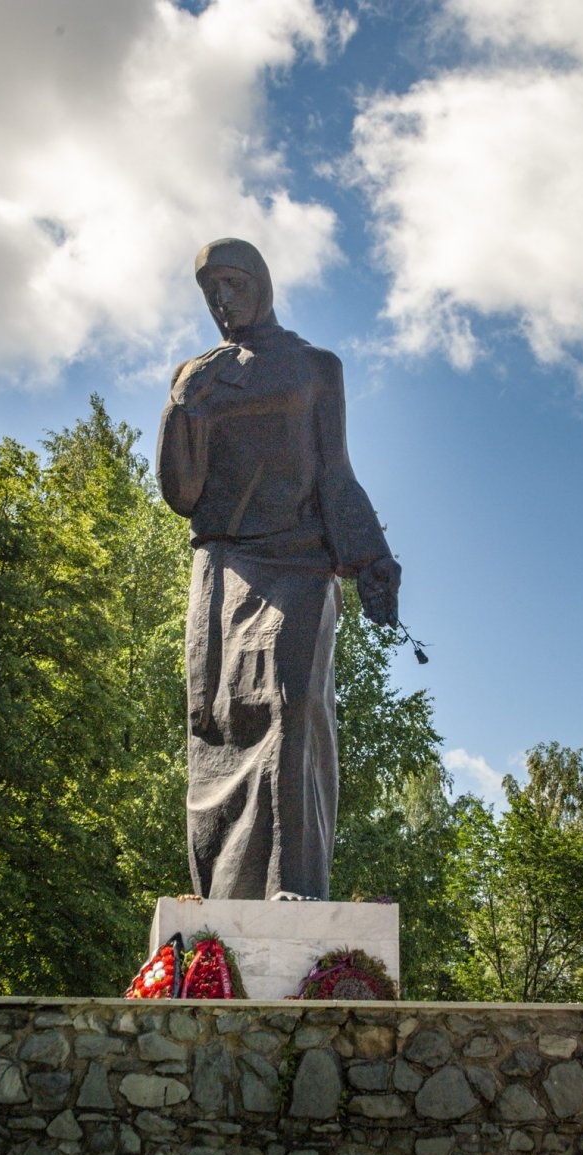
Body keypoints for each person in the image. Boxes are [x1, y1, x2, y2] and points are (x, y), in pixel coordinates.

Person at [156, 238, 400, 901]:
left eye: (232, 283)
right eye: (210, 290)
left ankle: (292, 884)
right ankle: (222, 896)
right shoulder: (197, 373)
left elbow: (334, 471)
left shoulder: (314, 367)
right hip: (224, 561)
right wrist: (183, 409)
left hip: (300, 556)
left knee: (290, 701)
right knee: (219, 717)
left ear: (261, 284)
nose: (221, 299)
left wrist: (370, 555)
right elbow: (181, 495)